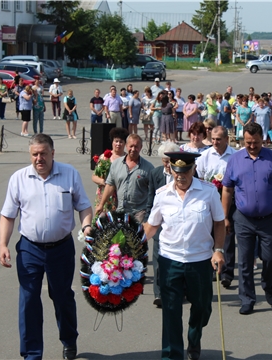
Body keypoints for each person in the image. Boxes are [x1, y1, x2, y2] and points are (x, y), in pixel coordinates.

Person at [0, 134, 93, 360]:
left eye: (43, 153)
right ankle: (32, 354)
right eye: (34, 154)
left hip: (61, 249)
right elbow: (8, 216)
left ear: (53, 153)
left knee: (62, 297)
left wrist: (87, 226)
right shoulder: (19, 179)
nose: (39, 158)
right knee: (29, 299)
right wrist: (3, 243)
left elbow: (84, 207)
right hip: (30, 249)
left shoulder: (69, 174)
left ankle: (69, 339)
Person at [143, 151, 226, 360]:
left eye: (186, 171)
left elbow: (219, 223)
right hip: (170, 260)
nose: (181, 176)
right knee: (170, 311)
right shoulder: (162, 194)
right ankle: (172, 355)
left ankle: (194, 337)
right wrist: (129, 247)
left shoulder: (208, 192)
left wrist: (218, 250)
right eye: (176, 171)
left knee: (202, 307)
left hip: (200, 260)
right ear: (170, 169)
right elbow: (152, 227)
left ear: (193, 169)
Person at [222, 122, 272, 315]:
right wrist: (224, 217)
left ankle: (267, 283)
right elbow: (227, 189)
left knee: (271, 257)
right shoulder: (235, 160)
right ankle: (247, 299)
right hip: (243, 218)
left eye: (256, 142)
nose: (252, 146)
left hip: (269, 219)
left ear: (263, 139)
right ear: (243, 140)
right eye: (248, 142)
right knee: (245, 261)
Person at [196, 126, 237, 288]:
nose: (215, 142)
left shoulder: (235, 155)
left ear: (227, 139)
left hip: (230, 198)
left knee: (228, 233)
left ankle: (227, 272)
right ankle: (213, 268)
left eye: (218, 139)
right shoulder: (205, 155)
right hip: (210, 197)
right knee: (210, 233)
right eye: (213, 139)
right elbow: (199, 176)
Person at [145, 141, 181, 308]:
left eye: (169, 161)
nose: (167, 165)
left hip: (178, 225)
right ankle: (158, 293)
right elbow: (150, 199)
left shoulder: (183, 174)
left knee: (176, 260)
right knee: (158, 259)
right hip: (159, 225)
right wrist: (147, 220)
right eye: (164, 161)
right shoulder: (155, 174)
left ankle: (178, 291)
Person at [95, 134, 154, 223]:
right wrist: (101, 205)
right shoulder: (116, 164)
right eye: (131, 146)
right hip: (121, 211)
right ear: (126, 146)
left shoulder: (149, 168)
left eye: (136, 147)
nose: (133, 149)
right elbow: (110, 185)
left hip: (139, 213)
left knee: (135, 237)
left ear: (141, 147)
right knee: (120, 237)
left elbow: (153, 191)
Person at [92, 127, 129, 214]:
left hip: (120, 197)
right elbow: (94, 177)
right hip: (104, 194)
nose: (118, 144)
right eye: (116, 141)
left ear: (125, 144)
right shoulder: (104, 157)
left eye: (121, 142)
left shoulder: (127, 159)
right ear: (112, 142)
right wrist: (104, 182)